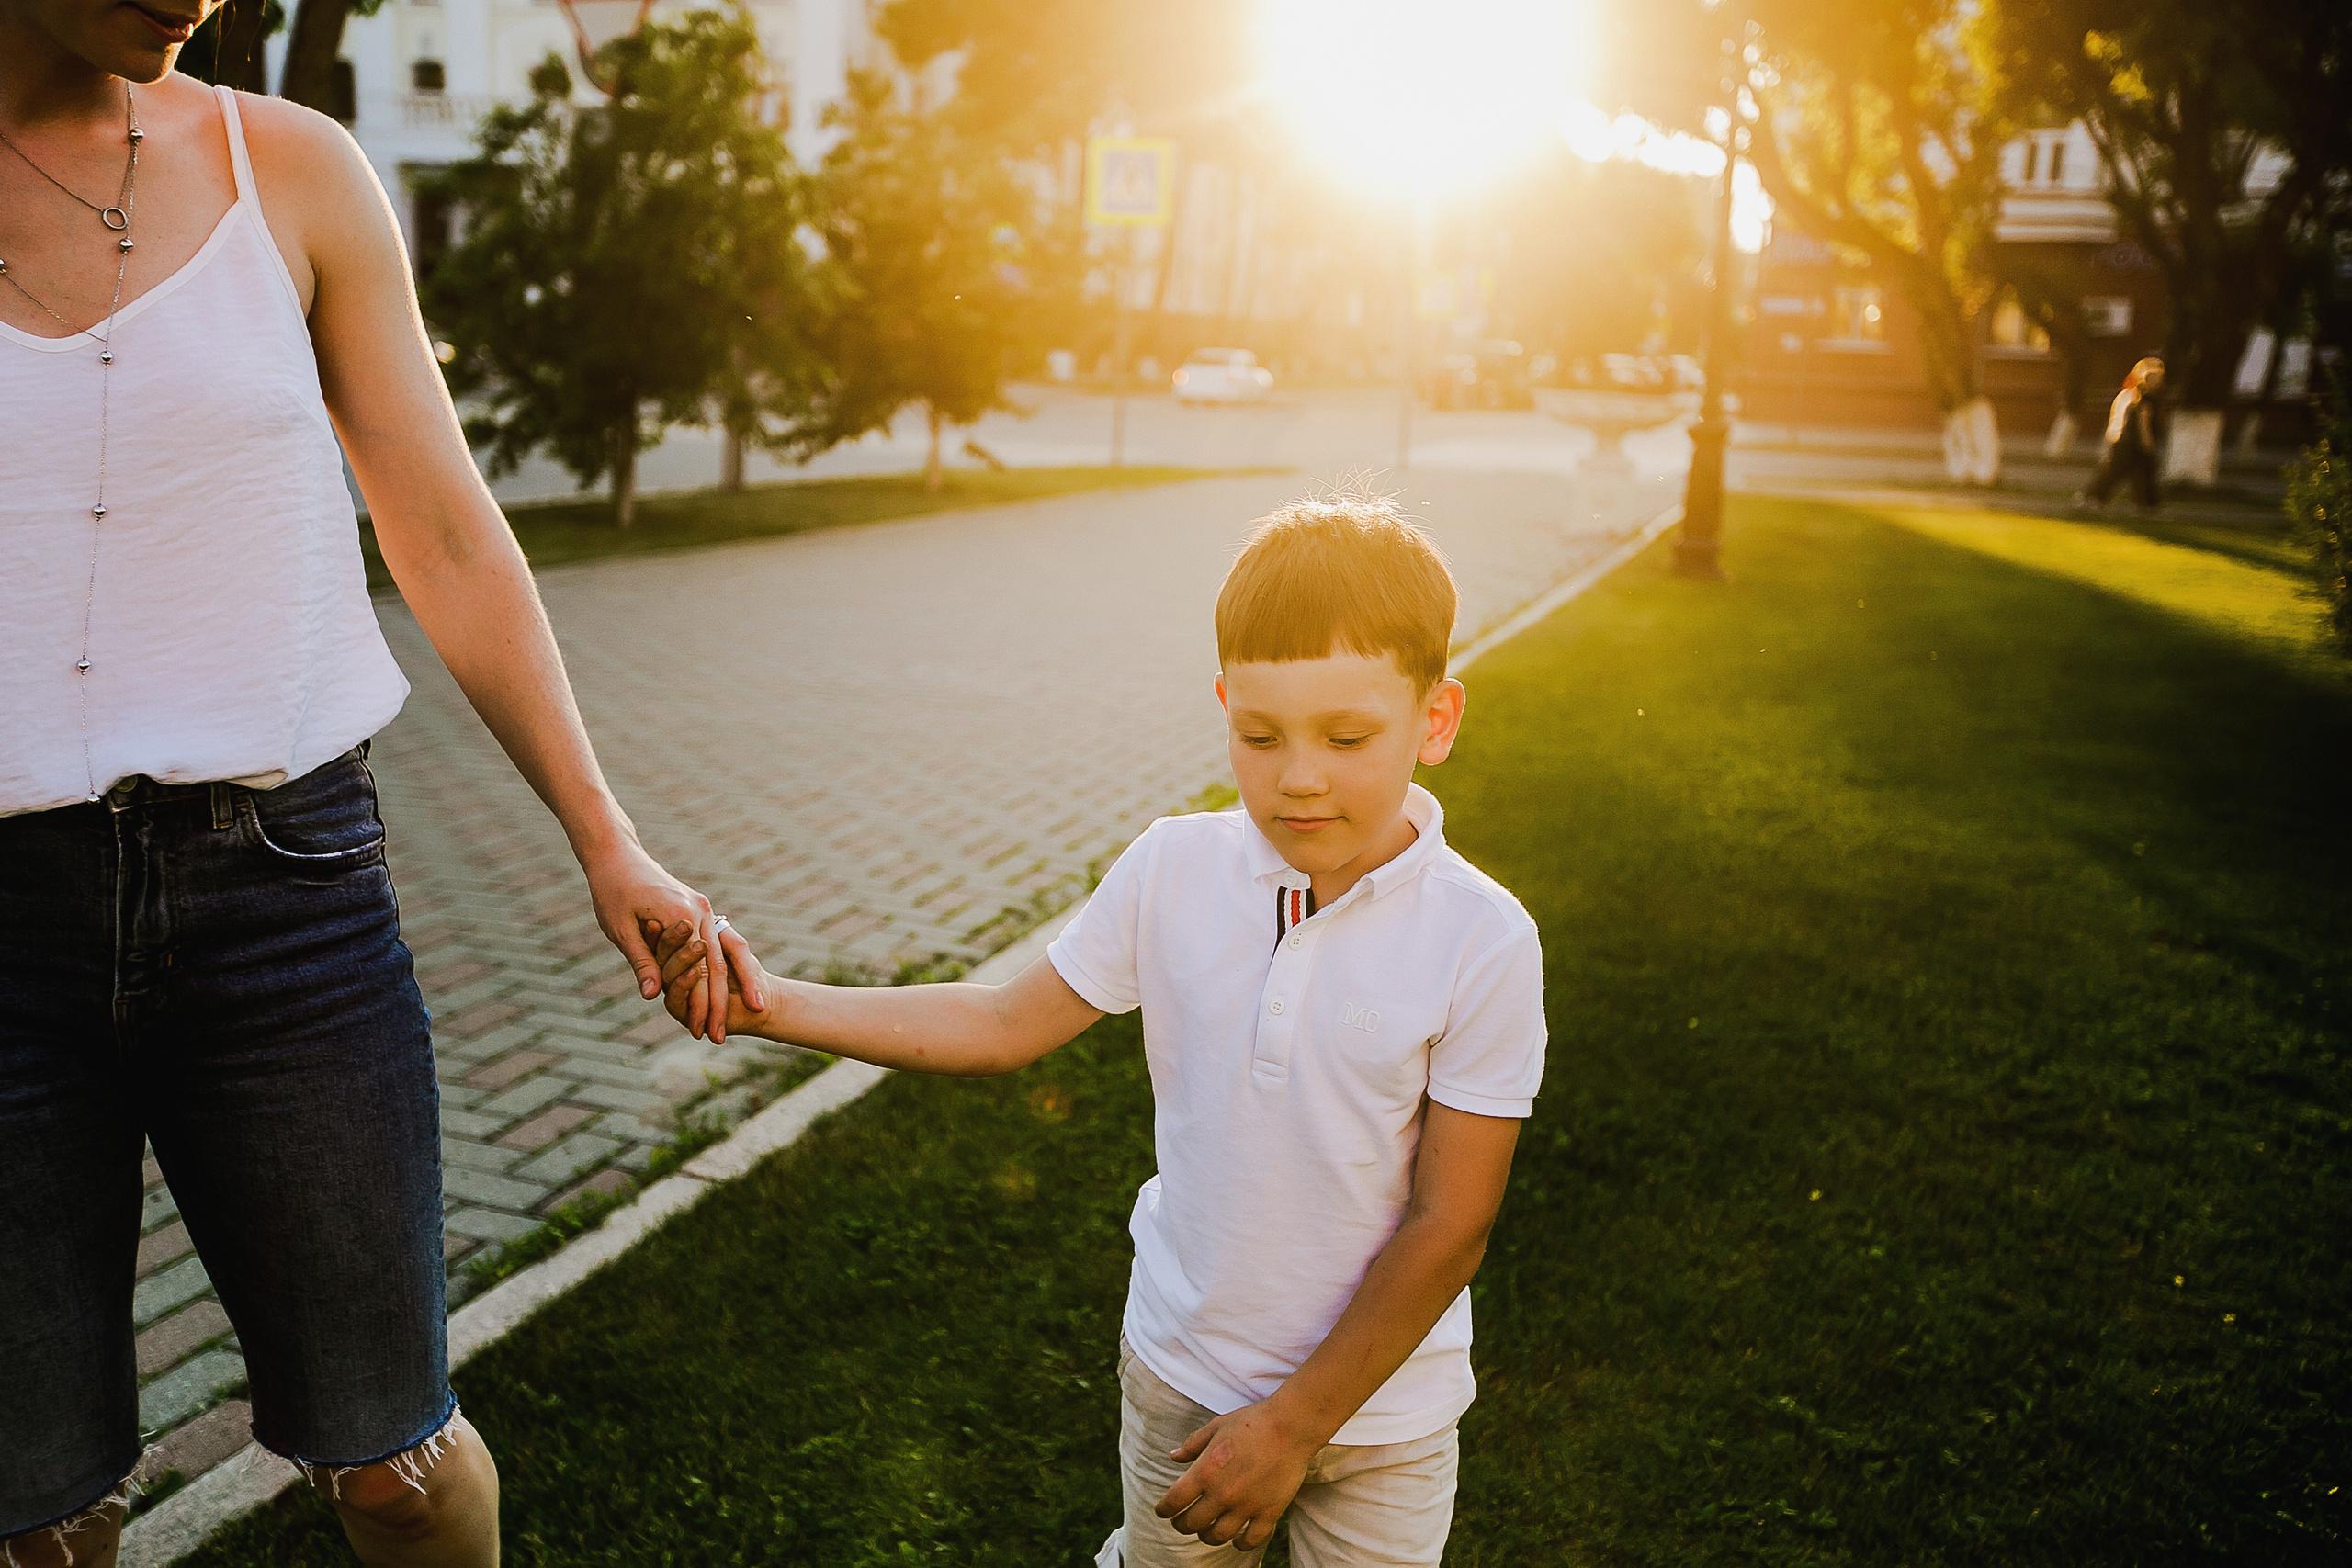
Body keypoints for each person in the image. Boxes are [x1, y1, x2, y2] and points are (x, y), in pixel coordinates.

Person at [0, 2, 762, 1562]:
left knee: (400, 1468)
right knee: (43, 1514)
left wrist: (603, 835)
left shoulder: (291, 169)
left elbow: (450, 532)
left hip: (286, 908)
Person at [653, 495, 1547, 1566]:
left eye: (1346, 737)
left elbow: (1449, 1221)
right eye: (1259, 735)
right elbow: (998, 1020)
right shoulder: (1172, 868)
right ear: (1222, 708)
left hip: (1384, 1417)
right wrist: (775, 1005)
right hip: (1183, 1371)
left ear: (1435, 721)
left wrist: (1296, 1424)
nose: (1298, 775)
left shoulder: (1483, 939)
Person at [2079, 356, 2166, 513]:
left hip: (2127, 442)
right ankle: (2094, 497)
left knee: (2139, 474)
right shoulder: (2145, 399)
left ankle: (2148, 504)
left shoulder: (2133, 395)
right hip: (2130, 444)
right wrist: (2148, 441)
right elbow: (2143, 421)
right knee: (2125, 473)